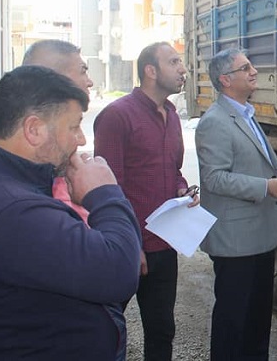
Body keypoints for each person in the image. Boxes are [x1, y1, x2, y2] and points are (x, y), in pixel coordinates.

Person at [0, 66, 142, 361]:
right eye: (74, 126)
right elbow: (119, 271)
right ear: (34, 129)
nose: (81, 140)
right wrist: (105, 193)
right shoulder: (13, 210)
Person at [93, 41, 199, 361]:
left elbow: (173, 169)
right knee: (103, 327)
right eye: (174, 62)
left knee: (162, 329)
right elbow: (107, 187)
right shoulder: (117, 115)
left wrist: (181, 190)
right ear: (150, 71)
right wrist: (129, 242)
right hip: (128, 247)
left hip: (165, 243)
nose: (183, 69)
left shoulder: (170, 114)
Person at [195, 48, 277, 361]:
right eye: (244, 67)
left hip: (259, 237)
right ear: (226, 80)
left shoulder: (246, 114)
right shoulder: (215, 122)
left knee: (256, 321)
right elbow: (215, 179)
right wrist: (264, 187)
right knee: (233, 322)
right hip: (236, 243)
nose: (253, 72)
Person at [23, 39, 94, 221]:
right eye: (83, 71)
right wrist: (106, 195)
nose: (90, 82)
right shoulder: (24, 200)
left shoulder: (57, 171)